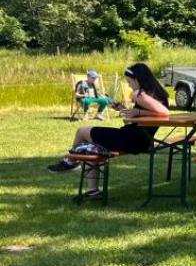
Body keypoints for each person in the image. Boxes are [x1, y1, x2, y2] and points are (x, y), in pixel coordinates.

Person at [48, 63, 170, 199]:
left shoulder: (139, 94)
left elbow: (164, 113)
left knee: (82, 131)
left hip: (130, 140)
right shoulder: (159, 94)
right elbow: (151, 115)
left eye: (129, 82)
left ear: (137, 79)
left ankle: (71, 161)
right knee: (93, 147)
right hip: (142, 140)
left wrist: (137, 111)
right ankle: (92, 191)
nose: (129, 85)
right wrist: (130, 112)